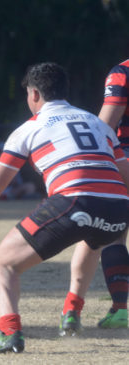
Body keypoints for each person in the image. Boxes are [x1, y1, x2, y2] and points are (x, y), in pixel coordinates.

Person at [0, 62, 129, 354]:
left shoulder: (31, 127)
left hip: (73, 199)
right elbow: (124, 173)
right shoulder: (98, 123)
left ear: (34, 94)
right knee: (93, 239)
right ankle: (71, 312)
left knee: (3, 264)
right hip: (118, 207)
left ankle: (8, 332)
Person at [61, 60, 129, 331]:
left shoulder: (123, 72)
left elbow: (105, 126)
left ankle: (120, 309)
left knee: (109, 233)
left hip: (124, 158)